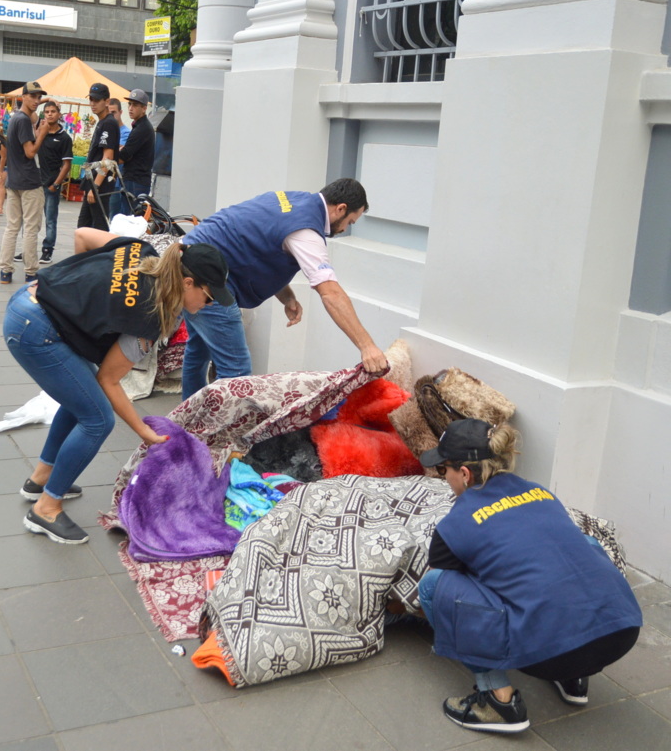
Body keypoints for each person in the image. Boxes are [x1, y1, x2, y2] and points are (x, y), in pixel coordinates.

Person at [4, 236, 234, 545]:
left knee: (80, 400)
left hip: (30, 300)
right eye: (208, 297)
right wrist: (143, 431)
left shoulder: (146, 251)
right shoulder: (150, 314)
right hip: (35, 329)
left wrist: (79, 300)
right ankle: (45, 508)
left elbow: (84, 235)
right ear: (188, 283)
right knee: (98, 419)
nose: (209, 305)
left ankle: (41, 478)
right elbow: (109, 380)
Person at [417, 418, 642, 734]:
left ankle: (498, 700)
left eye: (444, 470)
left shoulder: (457, 522)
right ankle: (574, 680)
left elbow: (448, 582)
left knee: (434, 586)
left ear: (465, 474)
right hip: (621, 632)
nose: (444, 478)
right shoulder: (540, 492)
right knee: (585, 545)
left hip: (552, 655)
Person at [178, 178, 389, 398]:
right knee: (236, 371)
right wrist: (367, 346)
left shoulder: (291, 199)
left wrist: (286, 296)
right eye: (350, 222)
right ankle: (212, 430)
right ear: (341, 209)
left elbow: (259, 245)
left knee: (199, 349)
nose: (345, 229)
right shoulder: (306, 231)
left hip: (190, 257)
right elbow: (330, 292)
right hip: (205, 280)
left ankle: (184, 423)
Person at [0, 81, 49, 284]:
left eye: (39, 97)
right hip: (29, 181)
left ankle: (5, 271)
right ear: (23, 97)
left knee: (12, 227)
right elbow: (30, 152)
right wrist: (42, 134)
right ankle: (31, 272)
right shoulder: (24, 121)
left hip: (15, 181)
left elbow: (34, 115)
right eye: (33, 96)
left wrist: (41, 103)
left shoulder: (16, 119)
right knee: (30, 229)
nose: (37, 101)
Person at [77, 83, 120, 231]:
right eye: (91, 100)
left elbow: (107, 159)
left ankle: (102, 254)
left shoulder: (108, 123)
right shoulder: (103, 122)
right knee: (84, 229)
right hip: (94, 183)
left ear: (107, 101)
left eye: (97, 100)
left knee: (97, 229)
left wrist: (95, 187)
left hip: (99, 186)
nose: (93, 104)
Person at [109, 89, 154, 219]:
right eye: (129, 104)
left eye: (135, 105)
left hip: (136, 181)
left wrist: (109, 155)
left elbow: (124, 157)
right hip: (134, 180)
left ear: (144, 108)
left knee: (129, 220)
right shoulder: (138, 126)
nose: (131, 108)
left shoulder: (142, 128)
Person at [37, 100, 72, 265]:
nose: (50, 114)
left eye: (53, 111)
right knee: (31, 219)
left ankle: (47, 250)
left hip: (51, 185)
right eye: (47, 111)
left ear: (59, 114)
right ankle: (28, 249)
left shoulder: (64, 138)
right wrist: (42, 101)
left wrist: (56, 184)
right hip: (36, 184)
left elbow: (66, 165)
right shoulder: (40, 132)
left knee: (50, 219)